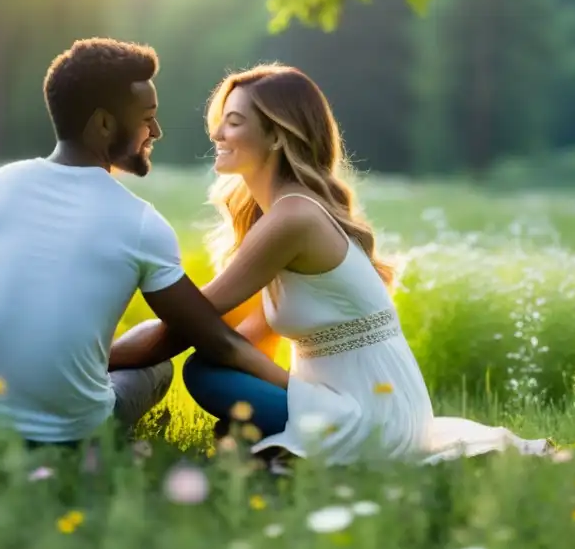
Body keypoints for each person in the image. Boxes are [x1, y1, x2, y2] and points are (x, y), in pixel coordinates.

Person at [0, 38, 289, 450]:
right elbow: (216, 342)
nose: (155, 130)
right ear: (103, 124)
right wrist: (304, 396)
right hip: (77, 440)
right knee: (156, 368)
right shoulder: (141, 224)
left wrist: (9, 362)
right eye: (146, 117)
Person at [110, 63, 552, 466]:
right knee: (217, 362)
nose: (218, 134)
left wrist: (89, 360)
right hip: (362, 401)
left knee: (204, 370)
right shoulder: (285, 214)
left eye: (235, 122)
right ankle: (279, 446)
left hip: (368, 410)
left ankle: (297, 449)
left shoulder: (294, 217)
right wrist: (258, 379)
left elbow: (190, 321)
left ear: (278, 136)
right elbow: (249, 336)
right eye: (220, 120)